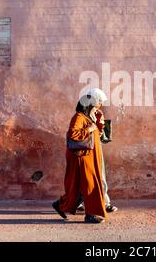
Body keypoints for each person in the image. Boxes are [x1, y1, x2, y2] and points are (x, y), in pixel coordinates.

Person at [52, 90, 108, 223]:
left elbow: (98, 133)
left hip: (89, 157)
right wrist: (89, 129)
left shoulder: (88, 117)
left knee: (78, 187)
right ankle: (91, 213)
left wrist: (99, 121)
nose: (97, 107)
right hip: (81, 157)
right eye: (95, 105)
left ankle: (61, 205)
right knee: (89, 184)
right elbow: (73, 134)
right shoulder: (78, 117)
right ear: (88, 105)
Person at [76, 88, 118, 213]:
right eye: (99, 102)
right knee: (86, 177)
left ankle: (104, 202)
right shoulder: (81, 115)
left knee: (100, 176)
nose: (100, 105)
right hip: (86, 150)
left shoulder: (97, 114)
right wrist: (90, 129)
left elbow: (99, 134)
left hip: (95, 149)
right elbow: (77, 133)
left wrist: (101, 125)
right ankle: (79, 203)